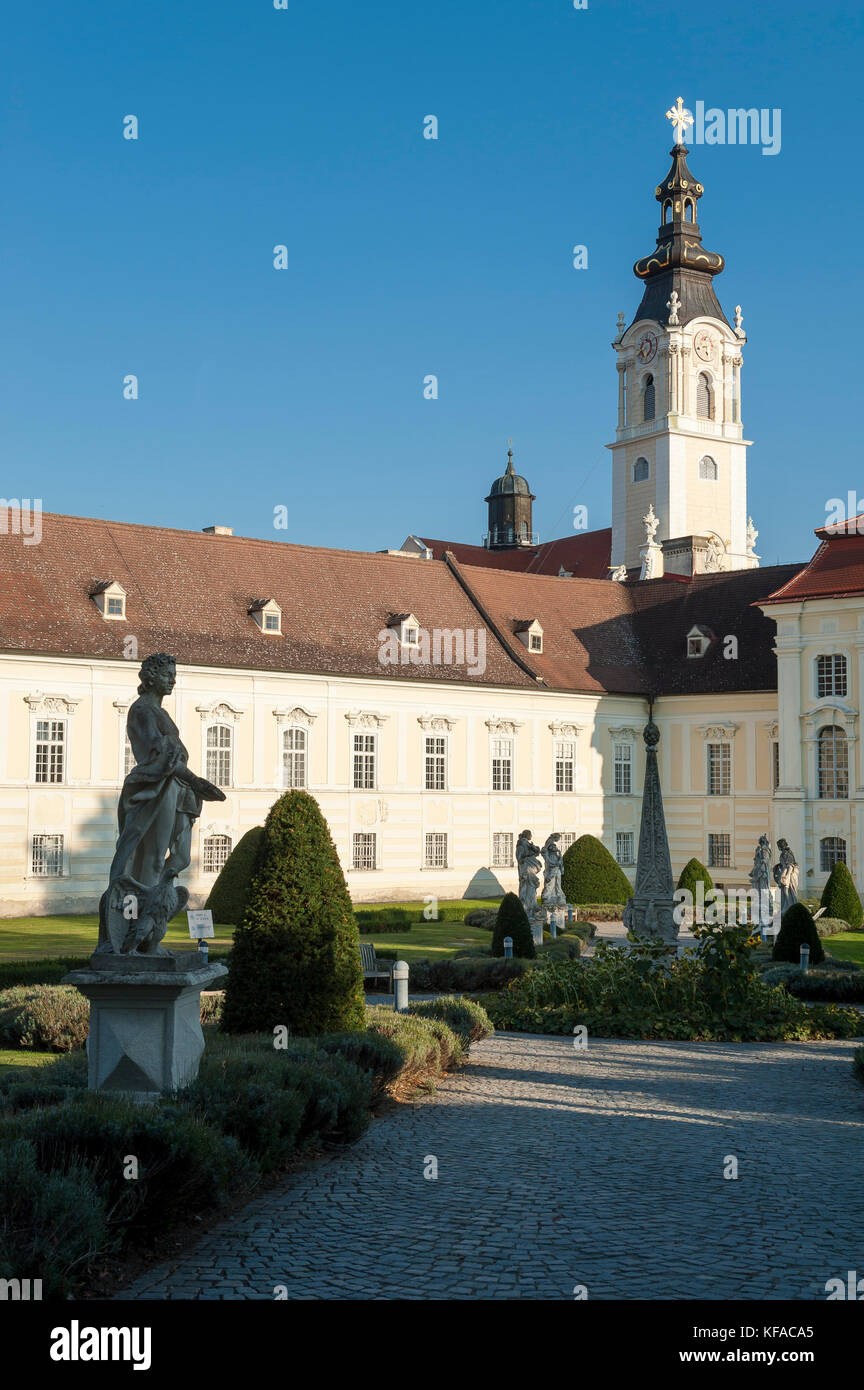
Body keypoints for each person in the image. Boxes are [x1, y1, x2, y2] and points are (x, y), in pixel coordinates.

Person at [97, 653, 225, 955]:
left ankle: (150, 926)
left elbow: (171, 755)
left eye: (174, 673)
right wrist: (196, 781)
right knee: (149, 860)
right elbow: (160, 756)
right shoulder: (142, 710)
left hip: (173, 790)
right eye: (168, 674)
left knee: (177, 860)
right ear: (150, 677)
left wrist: (191, 784)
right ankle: (135, 935)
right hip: (154, 789)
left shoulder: (158, 711)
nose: (173, 679)